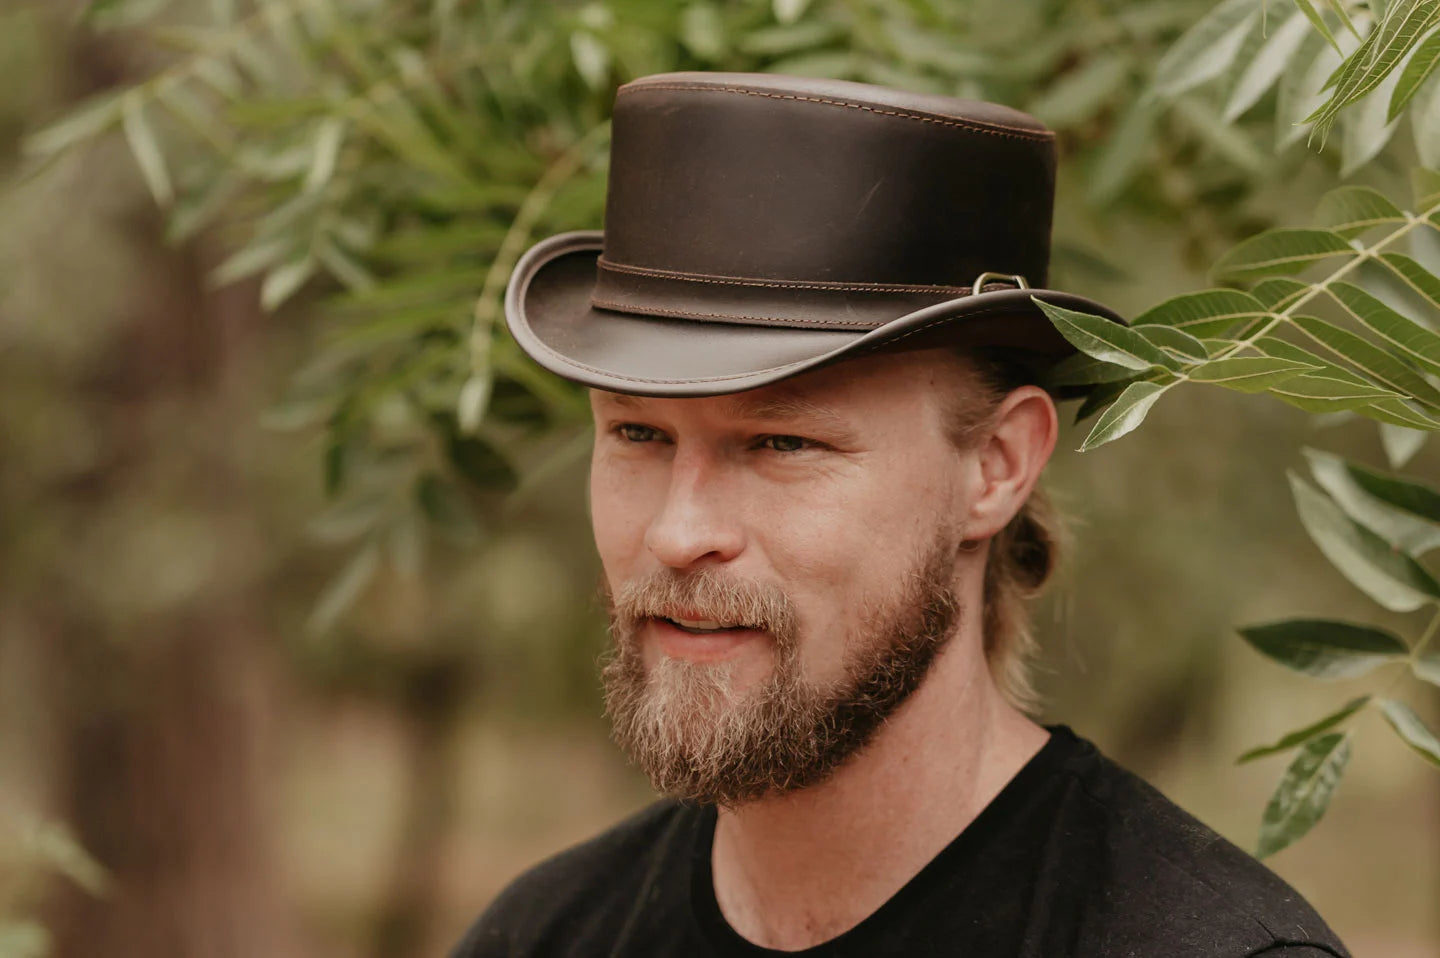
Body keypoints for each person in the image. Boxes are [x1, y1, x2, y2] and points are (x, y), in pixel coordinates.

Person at [452, 72, 1350, 957]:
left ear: (994, 469)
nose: (678, 534)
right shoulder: (539, 934)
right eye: (639, 433)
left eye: (782, 443)